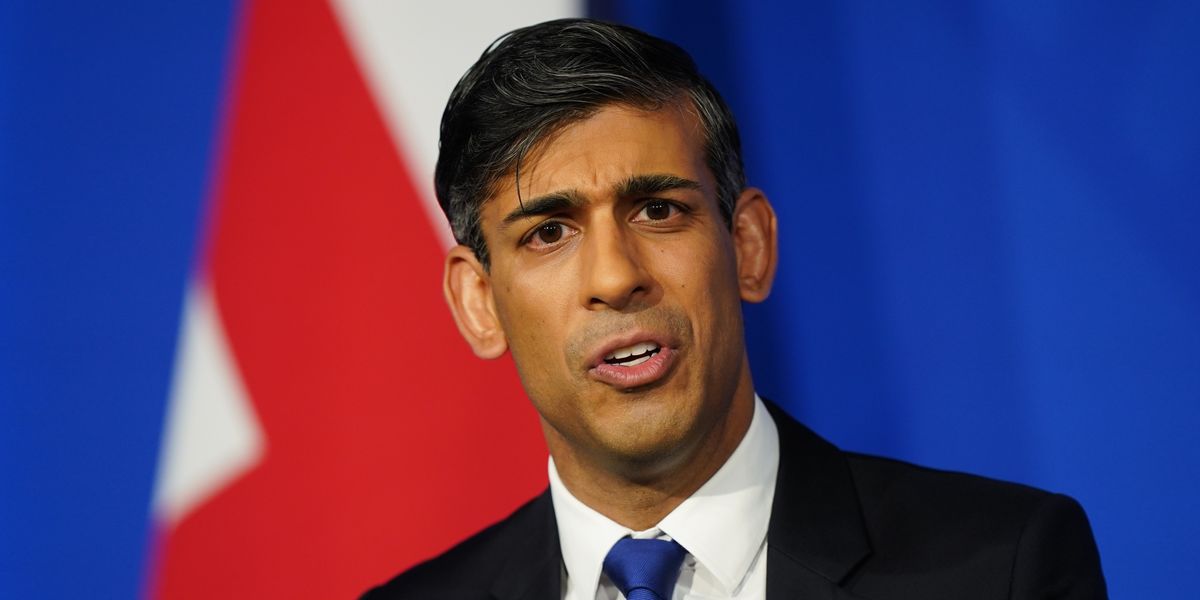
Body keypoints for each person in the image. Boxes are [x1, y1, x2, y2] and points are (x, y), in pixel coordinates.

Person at [363, 18, 1106, 600]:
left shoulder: (1001, 569)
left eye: (658, 209)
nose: (616, 277)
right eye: (549, 233)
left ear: (747, 246)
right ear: (479, 303)